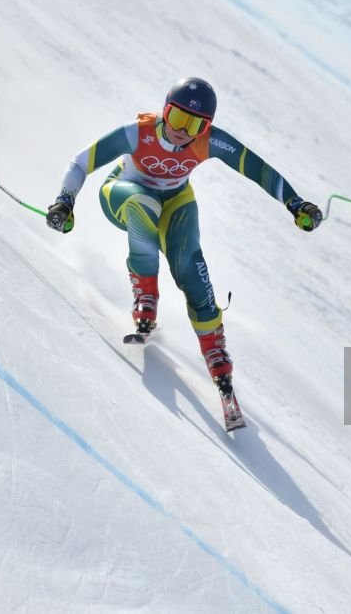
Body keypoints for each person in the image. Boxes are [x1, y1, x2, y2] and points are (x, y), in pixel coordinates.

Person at [46, 77, 323, 398]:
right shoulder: (139, 132)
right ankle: (146, 298)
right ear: (164, 111)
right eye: (177, 118)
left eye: (195, 125)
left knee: (191, 268)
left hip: (175, 201)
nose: (183, 130)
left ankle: (216, 352)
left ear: (207, 128)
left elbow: (257, 169)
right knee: (142, 204)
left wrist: (295, 203)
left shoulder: (211, 142)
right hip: (123, 194)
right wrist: (65, 200)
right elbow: (82, 161)